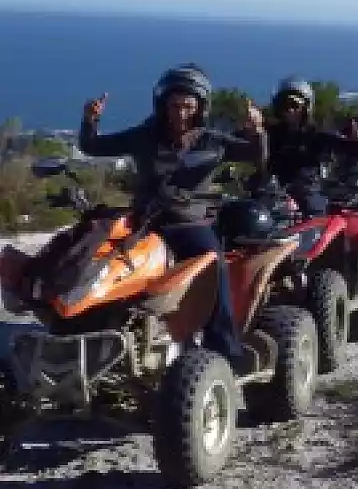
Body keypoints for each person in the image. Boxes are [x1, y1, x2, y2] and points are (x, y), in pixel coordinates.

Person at [76, 65, 268, 373]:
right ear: (163, 104)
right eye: (174, 105)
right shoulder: (144, 135)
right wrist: (90, 120)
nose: (180, 113)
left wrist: (257, 131)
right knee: (100, 256)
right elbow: (93, 146)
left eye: (188, 106)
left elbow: (253, 156)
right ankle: (91, 337)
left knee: (212, 262)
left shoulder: (210, 141)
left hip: (188, 221)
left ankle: (226, 348)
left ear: (200, 107)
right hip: (146, 219)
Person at [262, 76, 358, 213]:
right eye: (284, 106)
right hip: (274, 194)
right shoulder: (271, 133)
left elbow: (348, 147)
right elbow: (244, 144)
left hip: (308, 192)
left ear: (305, 107)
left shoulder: (317, 134)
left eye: (294, 105)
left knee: (313, 208)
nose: (289, 110)